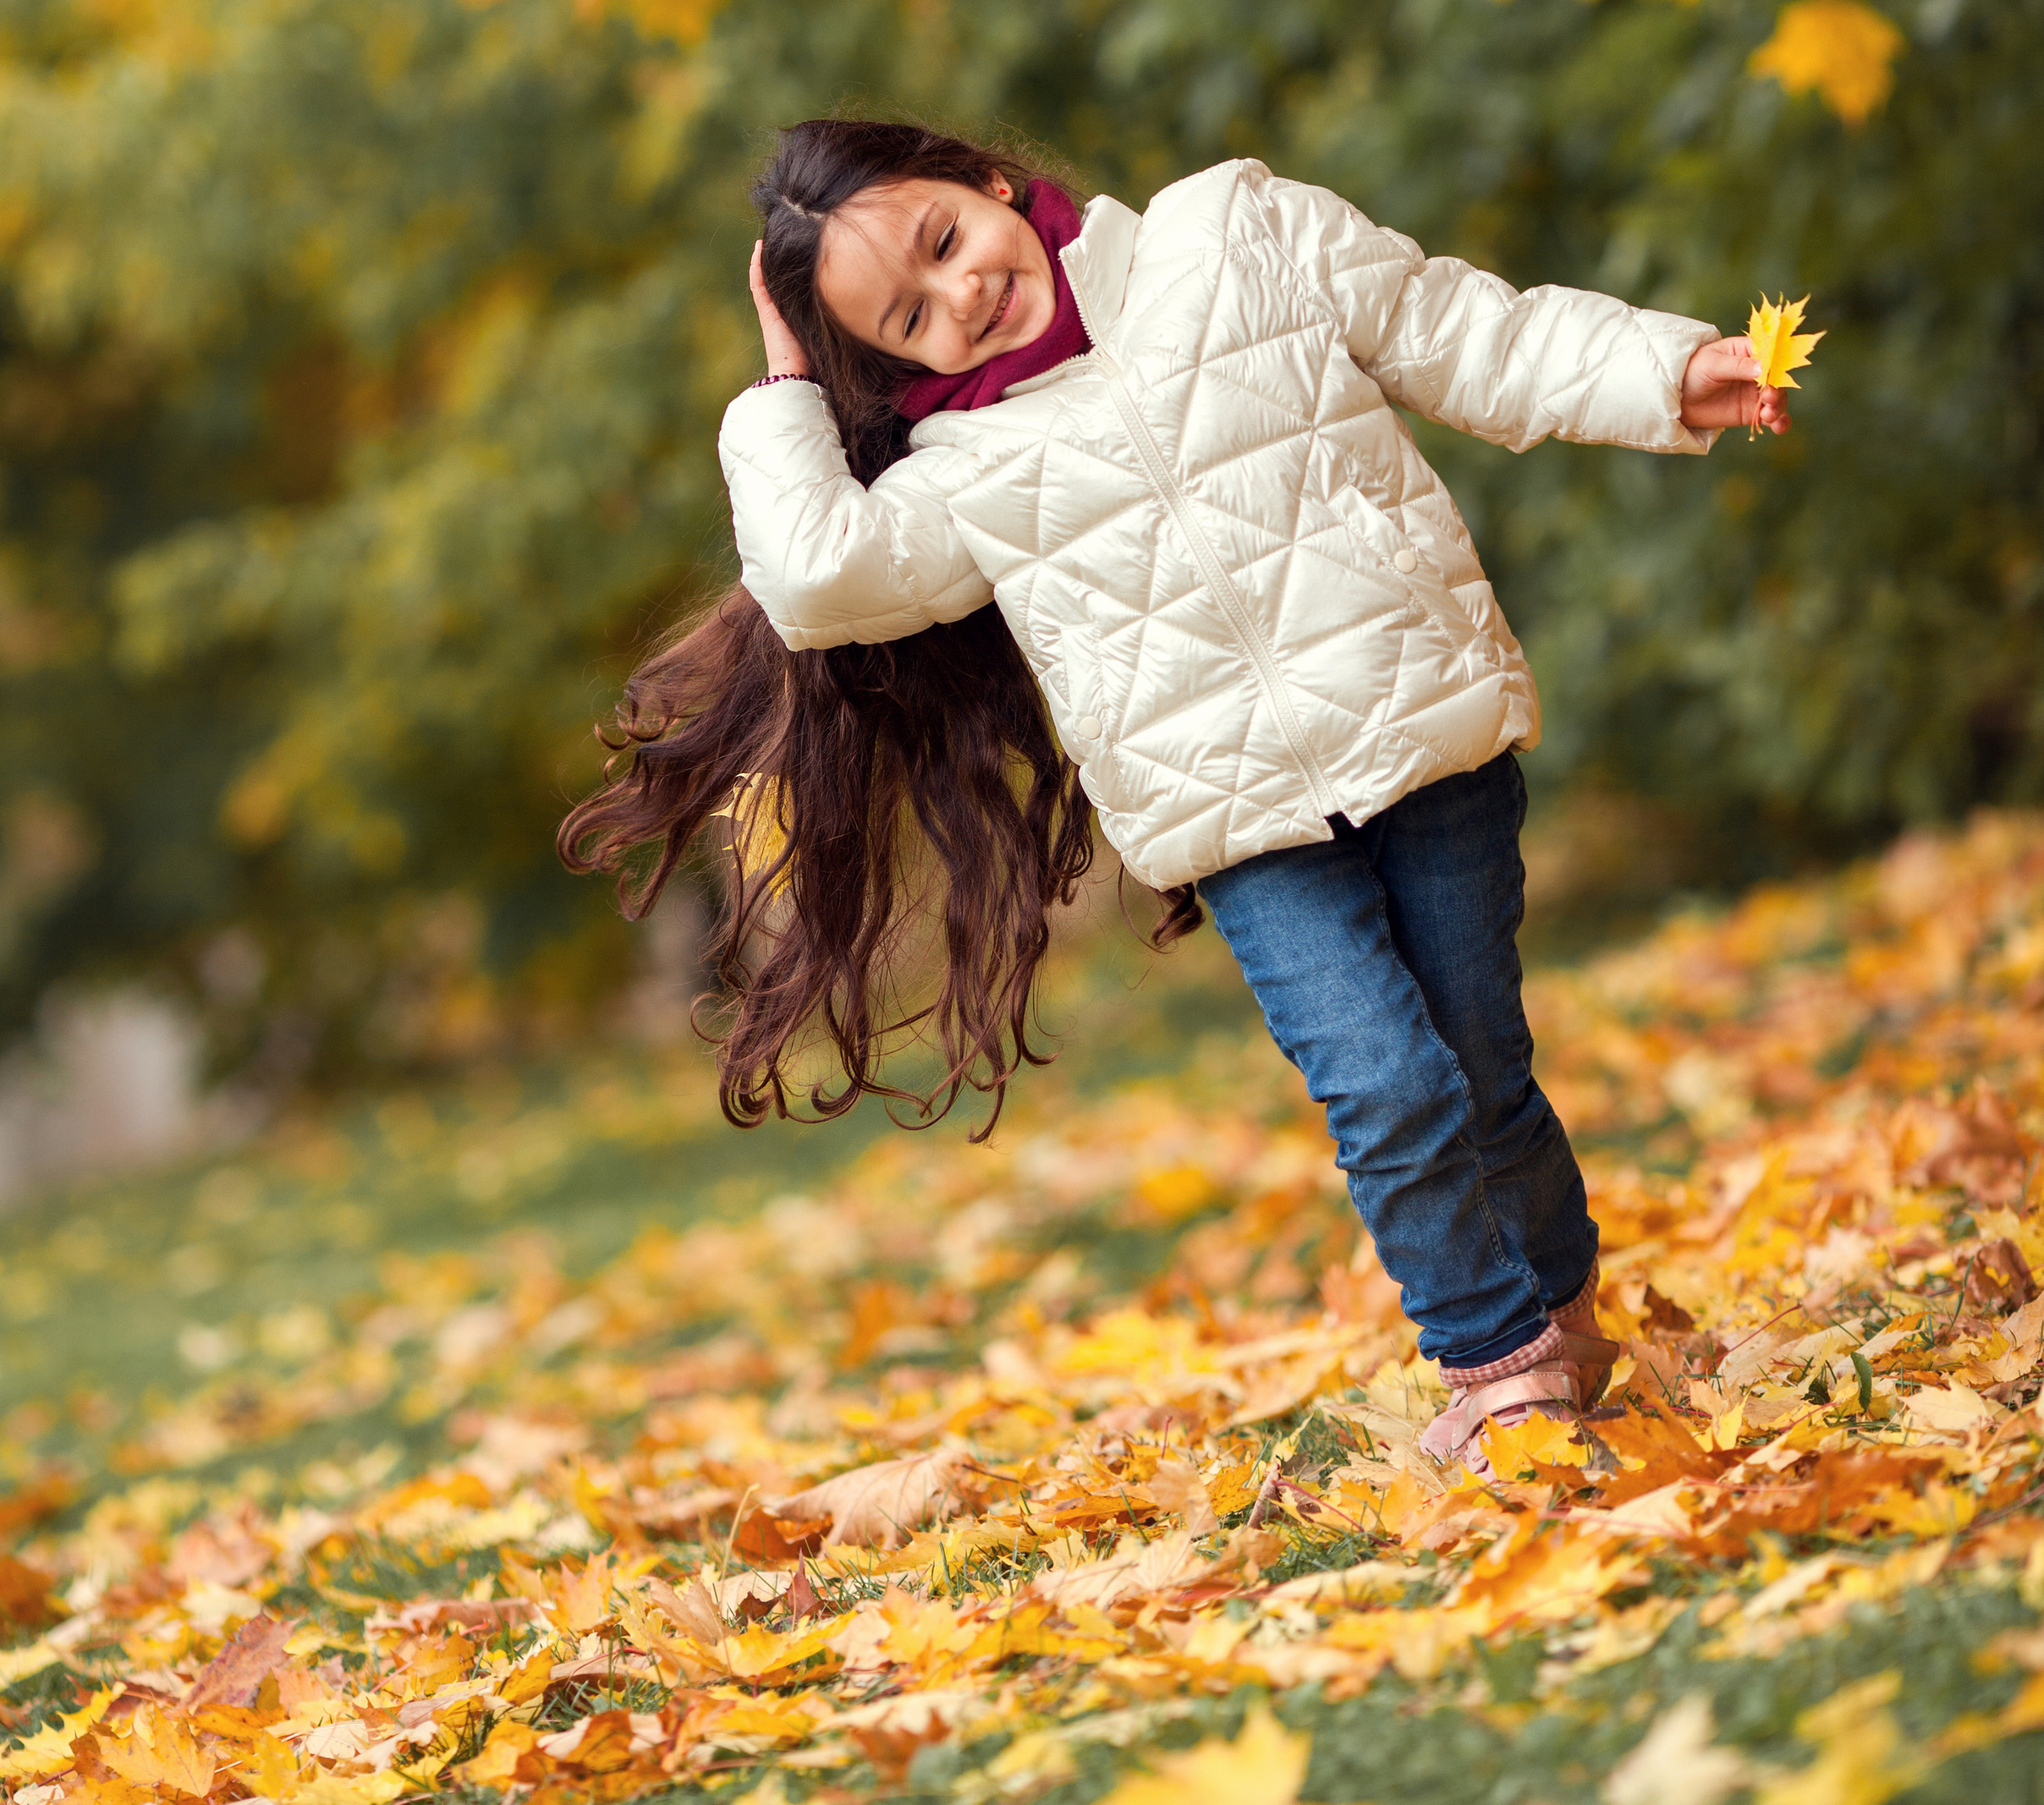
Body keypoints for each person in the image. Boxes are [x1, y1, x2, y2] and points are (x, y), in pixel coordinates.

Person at [561, 117, 1792, 1468]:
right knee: (1389, 1088)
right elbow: (815, 579)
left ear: (986, 180)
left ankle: (1558, 1322)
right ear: (888, 360)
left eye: (945, 241)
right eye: (909, 315)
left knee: (1482, 1073)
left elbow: (1464, 331)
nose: (960, 295)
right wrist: (784, 389)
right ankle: (1498, 1369)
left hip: (1424, 732)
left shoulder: (1235, 233)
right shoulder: (962, 476)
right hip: (1240, 829)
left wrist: (1667, 370)